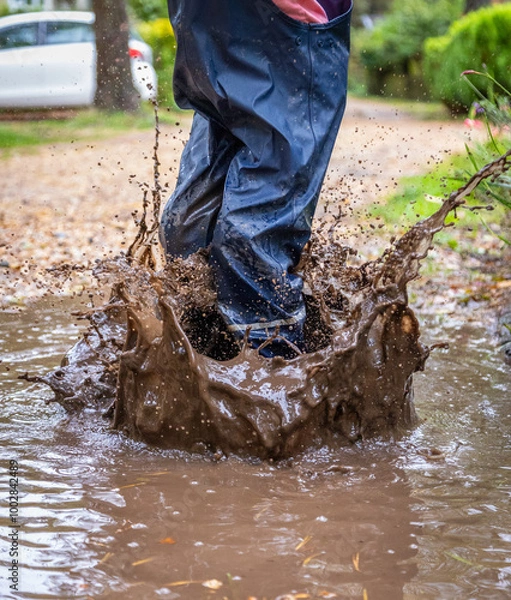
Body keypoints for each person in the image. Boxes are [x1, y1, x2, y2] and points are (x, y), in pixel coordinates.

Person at [160, 0, 353, 358]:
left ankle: (276, 386)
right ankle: (196, 373)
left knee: (251, 237)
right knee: (186, 230)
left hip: (290, 37)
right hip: (216, 46)